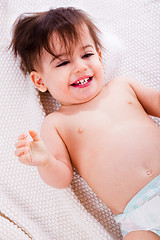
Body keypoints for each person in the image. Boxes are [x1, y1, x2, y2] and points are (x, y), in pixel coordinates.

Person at [11, 7, 160, 239]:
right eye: (63, 63)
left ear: (99, 57)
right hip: (138, 218)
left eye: (87, 55)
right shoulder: (57, 123)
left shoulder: (122, 86)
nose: (80, 66)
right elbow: (62, 178)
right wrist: (44, 161)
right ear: (40, 80)